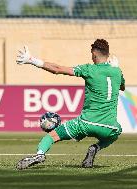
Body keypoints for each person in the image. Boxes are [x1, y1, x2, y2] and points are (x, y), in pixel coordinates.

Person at [15, 39, 125, 169]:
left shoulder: (89, 69)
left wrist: (32, 60)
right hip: (109, 126)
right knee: (115, 133)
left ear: (94, 53)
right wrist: (116, 68)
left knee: (52, 136)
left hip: (86, 123)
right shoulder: (117, 72)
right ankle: (95, 148)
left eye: (91, 55)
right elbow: (122, 87)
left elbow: (57, 69)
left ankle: (40, 154)